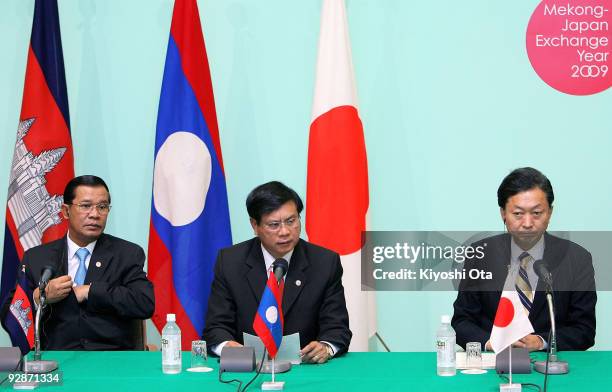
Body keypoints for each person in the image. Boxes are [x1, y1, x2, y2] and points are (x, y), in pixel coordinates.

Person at [203, 181, 351, 363]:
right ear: (255, 225)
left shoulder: (324, 262)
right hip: (248, 369)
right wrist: (226, 345)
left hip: (305, 368)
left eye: (291, 221)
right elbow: (216, 326)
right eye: (274, 225)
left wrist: (326, 346)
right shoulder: (230, 262)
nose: (285, 232)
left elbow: (337, 328)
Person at [1, 175, 154, 350]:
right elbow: (10, 314)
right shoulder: (37, 257)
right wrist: (39, 298)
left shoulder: (126, 254)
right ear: (66, 211)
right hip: (57, 360)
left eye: (102, 207)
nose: (95, 214)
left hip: (112, 360)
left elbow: (144, 303)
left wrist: (90, 291)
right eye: (86, 206)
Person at [452, 167, 596, 351]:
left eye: (536, 213)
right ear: (503, 213)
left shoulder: (576, 258)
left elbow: (584, 330)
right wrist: (491, 343)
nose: (527, 223)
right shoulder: (480, 254)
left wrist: (541, 342)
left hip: (548, 367)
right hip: (492, 364)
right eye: (518, 213)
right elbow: (462, 321)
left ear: (550, 213)